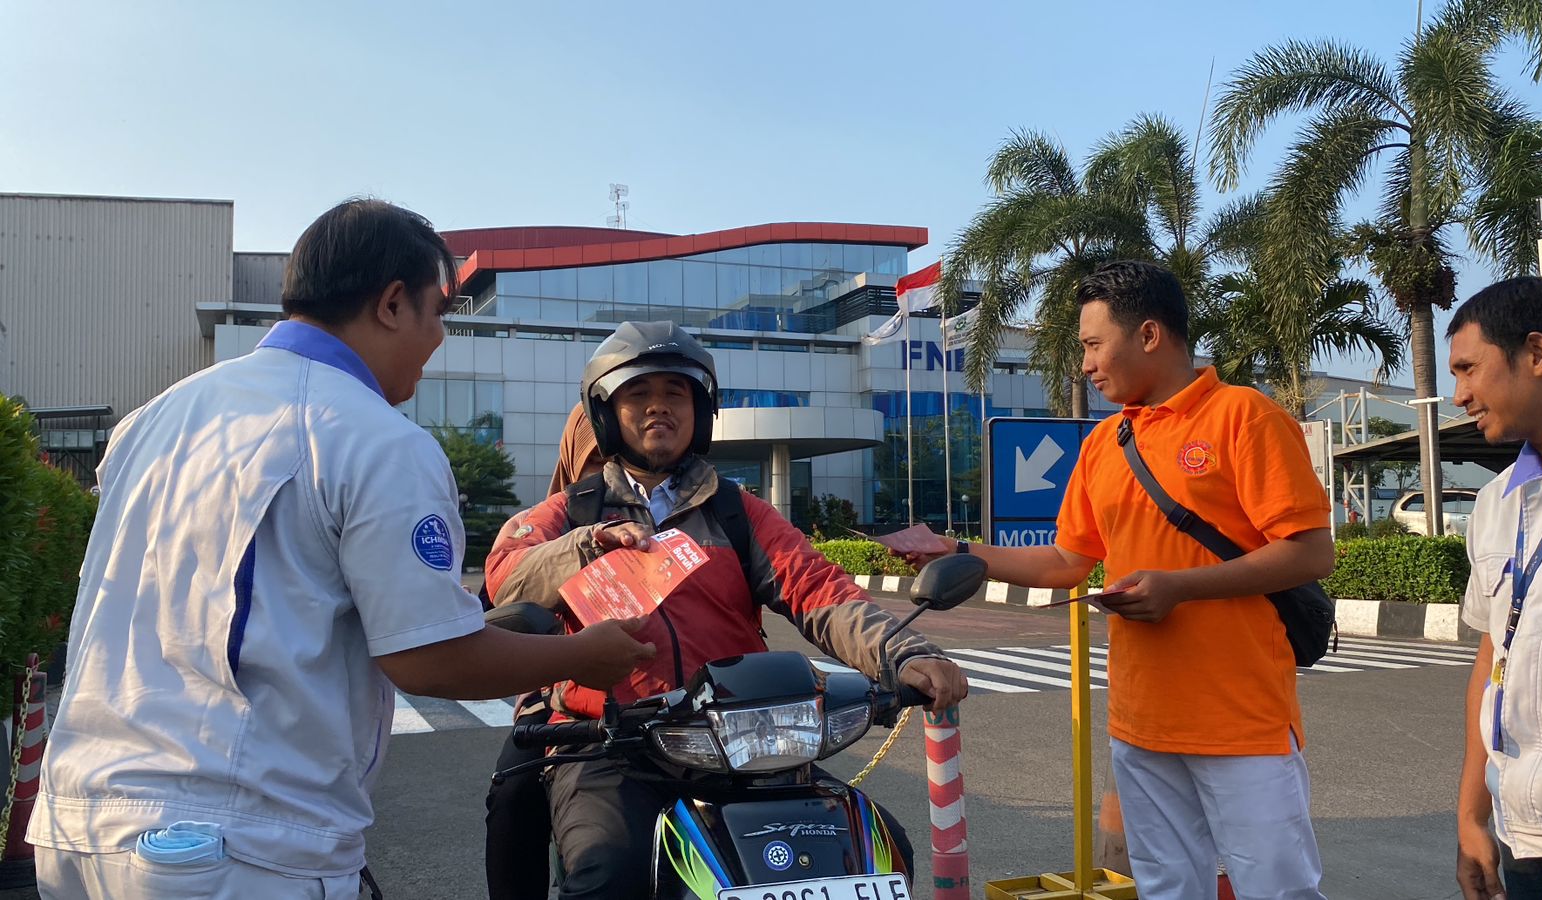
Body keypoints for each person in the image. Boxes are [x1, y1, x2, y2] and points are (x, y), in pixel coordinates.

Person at [26, 199, 654, 900]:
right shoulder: (376, 439)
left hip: (74, 826)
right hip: (237, 847)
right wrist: (585, 656)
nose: (440, 337)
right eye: (437, 312)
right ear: (391, 303)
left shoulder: (154, 418)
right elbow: (428, 654)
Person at [484, 320, 969, 900]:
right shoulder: (566, 514)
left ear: (702, 411)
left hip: (741, 735)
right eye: (638, 394)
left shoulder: (740, 514)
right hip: (612, 745)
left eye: (676, 393)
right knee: (610, 874)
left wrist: (903, 652)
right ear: (606, 413)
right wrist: (587, 545)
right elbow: (507, 580)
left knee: (876, 851)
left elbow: (819, 588)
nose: (658, 408)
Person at [898, 260, 1334, 899]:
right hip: (1141, 721)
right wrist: (960, 548)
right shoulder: (1107, 442)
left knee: (1278, 889)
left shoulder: (1244, 417)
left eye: (1094, 344)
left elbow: (1309, 551)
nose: (1086, 364)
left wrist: (1180, 587)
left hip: (1242, 721)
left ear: (1150, 335)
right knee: (1165, 888)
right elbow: (1066, 562)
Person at [1451, 277, 1542, 900]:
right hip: (1522, 837)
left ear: (1537, 355)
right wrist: (1471, 816)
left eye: (1468, 369)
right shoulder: (1493, 504)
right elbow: (1494, 660)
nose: (1459, 395)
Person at [484, 402, 605, 900]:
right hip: (565, 705)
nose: (612, 471)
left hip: (695, 707)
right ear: (573, 459)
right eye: (597, 459)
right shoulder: (542, 524)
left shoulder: (711, 515)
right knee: (514, 791)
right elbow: (499, 602)